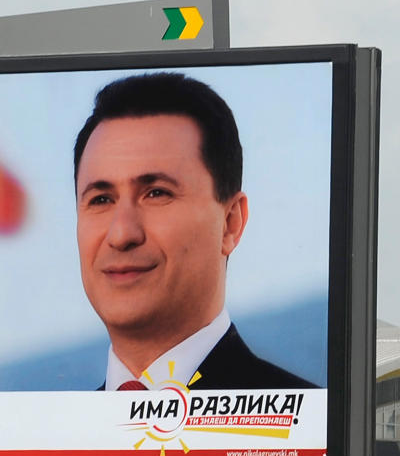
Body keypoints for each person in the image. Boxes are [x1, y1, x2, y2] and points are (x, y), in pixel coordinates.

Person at [72, 72, 317, 391]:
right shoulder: (50, 439)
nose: (121, 234)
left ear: (230, 223)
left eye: (156, 193)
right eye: (101, 199)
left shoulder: (307, 429)